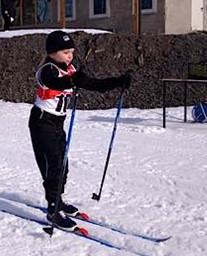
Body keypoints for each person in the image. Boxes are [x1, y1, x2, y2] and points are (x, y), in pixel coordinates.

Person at [29, 31, 131, 230]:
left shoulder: (70, 70)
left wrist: (118, 82)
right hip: (42, 123)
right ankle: (52, 209)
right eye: (66, 52)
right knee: (53, 167)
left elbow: (94, 85)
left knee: (63, 165)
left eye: (72, 52)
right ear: (52, 52)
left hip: (57, 123)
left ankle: (58, 200)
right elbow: (55, 83)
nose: (70, 56)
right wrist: (74, 81)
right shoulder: (47, 70)